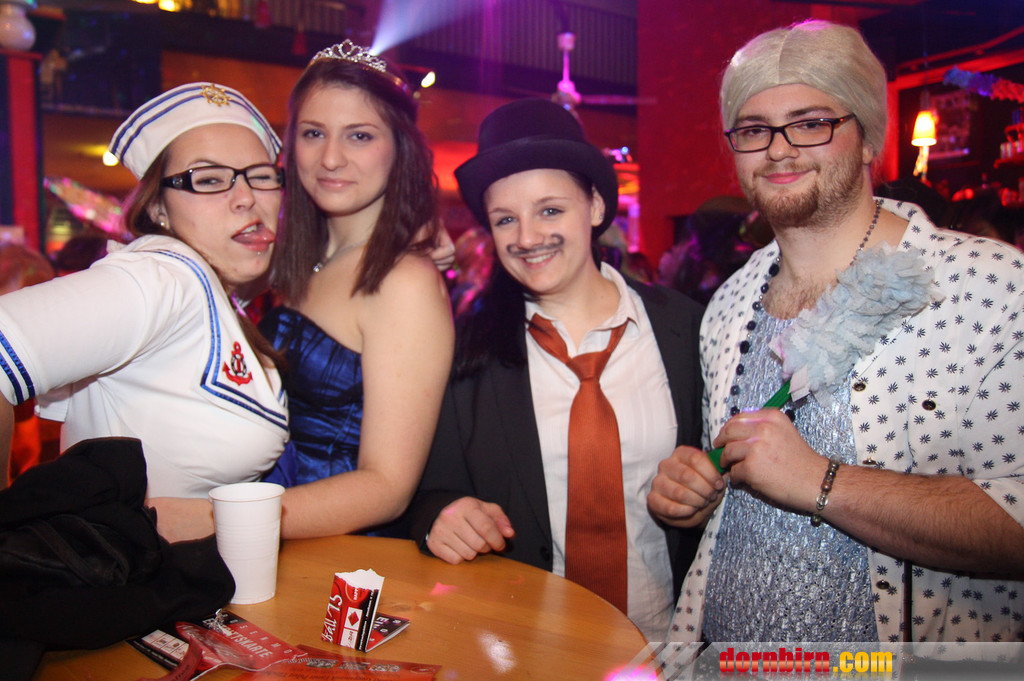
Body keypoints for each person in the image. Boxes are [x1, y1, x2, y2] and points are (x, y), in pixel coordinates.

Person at [648, 19, 1024, 644]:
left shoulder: (991, 288)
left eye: (811, 123)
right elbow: (741, 488)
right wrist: (697, 491)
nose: (779, 149)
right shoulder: (729, 304)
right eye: (753, 129)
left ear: (868, 137)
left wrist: (820, 481)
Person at [406, 98, 704, 641]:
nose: (526, 237)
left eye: (549, 210)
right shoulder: (465, 349)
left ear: (595, 206)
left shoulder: (685, 328)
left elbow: (723, 471)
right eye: (505, 219)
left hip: (669, 645)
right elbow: (429, 491)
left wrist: (707, 493)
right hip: (527, 646)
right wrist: (441, 517)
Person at [0, 82, 289, 540]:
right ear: (158, 207)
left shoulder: (217, 295)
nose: (246, 197)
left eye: (261, 176)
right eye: (209, 180)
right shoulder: (161, 278)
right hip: (122, 579)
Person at [258, 40, 454, 538]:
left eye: (359, 136)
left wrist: (223, 519)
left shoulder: (403, 282)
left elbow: (387, 487)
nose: (330, 158)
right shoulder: (297, 261)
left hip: (343, 558)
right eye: (313, 133)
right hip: (274, 542)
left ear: (399, 148)